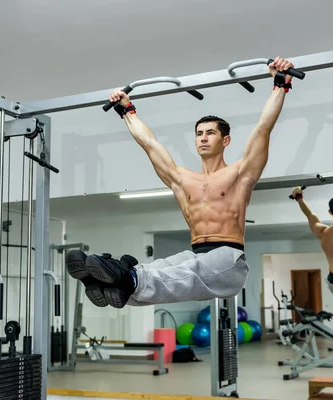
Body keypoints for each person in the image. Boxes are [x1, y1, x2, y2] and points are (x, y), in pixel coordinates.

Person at [66, 57, 296, 308]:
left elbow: (263, 128)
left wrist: (279, 85)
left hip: (228, 261)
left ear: (225, 141)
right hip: (197, 253)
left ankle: (128, 277)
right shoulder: (182, 179)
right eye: (199, 134)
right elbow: (150, 144)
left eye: (210, 133)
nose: (203, 139)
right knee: (165, 267)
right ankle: (109, 283)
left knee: (186, 271)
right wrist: (127, 110)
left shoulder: (240, 174)